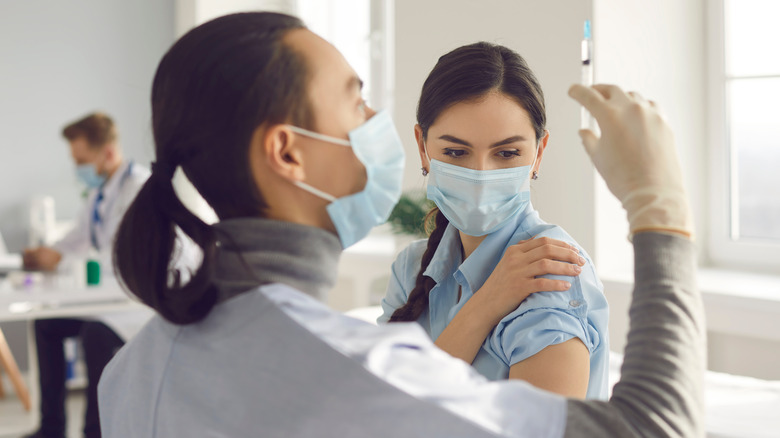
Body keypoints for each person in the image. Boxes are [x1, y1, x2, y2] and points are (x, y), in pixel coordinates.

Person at [98, 12, 704, 437]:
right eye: (355, 103)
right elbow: (652, 428)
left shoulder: (132, 368)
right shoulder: (349, 361)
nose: (374, 122)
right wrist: (663, 213)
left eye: (509, 151)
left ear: (538, 151)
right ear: (289, 152)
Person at [378, 43, 608, 399]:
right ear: (423, 148)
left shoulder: (551, 273)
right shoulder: (410, 269)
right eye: (455, 152)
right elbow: (378, 410)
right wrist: (485, 304)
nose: (481, 174)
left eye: (506, 153)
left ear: (538, 154)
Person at [22, 113, 152, 438]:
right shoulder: (99, 193)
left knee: (95, 335)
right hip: (102, 300)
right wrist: (47, 253)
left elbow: (117, 257)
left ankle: (95, 432)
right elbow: (78, 237)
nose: (78, 168)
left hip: (133, 305)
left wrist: (63, 260)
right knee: (46, 324)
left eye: (81, 160)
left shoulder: (138, 188)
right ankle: (51, 428)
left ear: (107, 153)